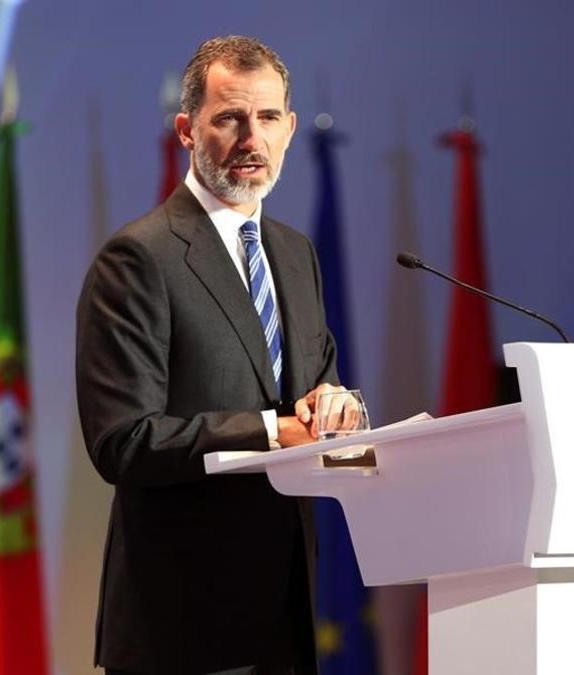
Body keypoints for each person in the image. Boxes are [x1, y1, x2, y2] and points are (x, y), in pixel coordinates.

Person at [75, 36, 349, 674]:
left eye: (268, 118)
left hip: (286, 612)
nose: (251, 138)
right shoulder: (140, 258)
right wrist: (267, 431)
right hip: (182, 626)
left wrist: (336, 409)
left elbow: (313, 387)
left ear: (290, 129)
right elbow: (123, 440)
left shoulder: (294, 252)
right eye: (229, 118)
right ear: (186, 131)